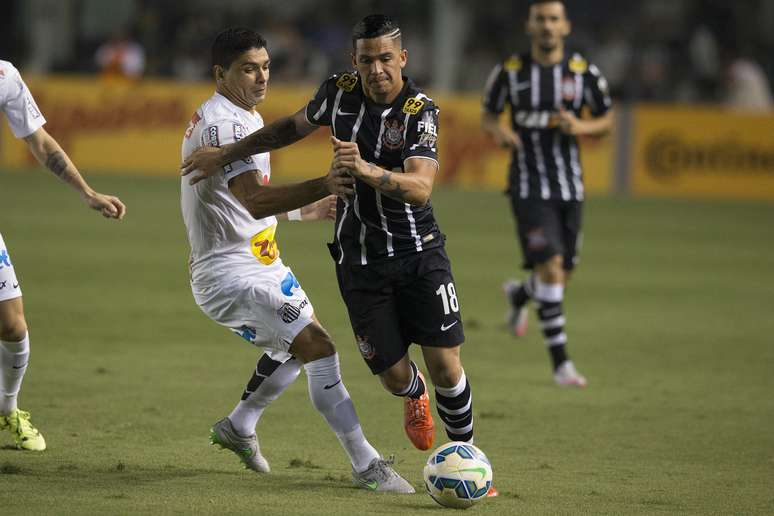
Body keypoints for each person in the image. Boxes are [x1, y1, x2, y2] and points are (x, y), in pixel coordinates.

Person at [182, 15, 487, 470]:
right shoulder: (336, 92)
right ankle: (410, 394)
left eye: (386, 58)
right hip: (356, 257)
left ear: (402, 58)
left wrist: (356, 176)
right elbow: (283, 143)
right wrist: (239, 157)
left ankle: (457, 458)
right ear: (355, 61)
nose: (377, 68)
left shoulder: (419, 111)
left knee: (433, 363)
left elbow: (421, 188)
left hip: (417, 250)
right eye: (367, 59)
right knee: (391, 375)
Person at [481, 0, 613, 387]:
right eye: (540, 19)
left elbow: (606, 120)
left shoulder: (582, 72)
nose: (547, 26)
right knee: (552, 268)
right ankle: (561, 365)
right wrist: (499, 131)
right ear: (530, 25)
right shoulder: (510, 72)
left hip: (570, 187)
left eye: (554, 19)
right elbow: (489, 114)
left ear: (565, 26)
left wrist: (581, 127)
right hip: (527, 185)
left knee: (561, 275)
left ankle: (521, 295)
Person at [0, 60, 126, 450]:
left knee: (12, 327)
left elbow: (39, 141)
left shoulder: (5, 76)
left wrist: (87, 192)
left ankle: (7, 409)